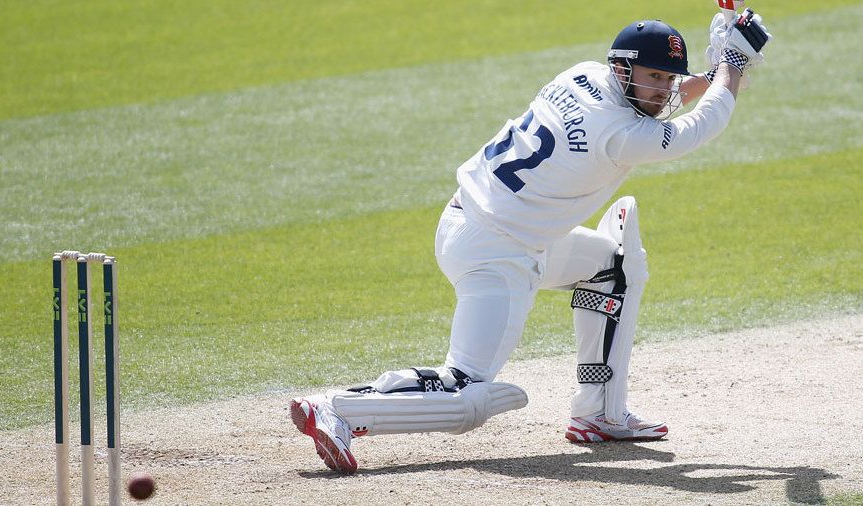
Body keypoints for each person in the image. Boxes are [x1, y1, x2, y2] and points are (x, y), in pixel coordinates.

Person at [289, 10, 771, 474]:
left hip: (491, 225)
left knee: (612, 266)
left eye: (669, 78)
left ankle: (598, 412)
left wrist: (719, 72)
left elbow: (667, 100)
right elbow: (698, 128)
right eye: (654, 76)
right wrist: (730, 69)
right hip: (496, 251)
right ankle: (337, 408)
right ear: (622, 69)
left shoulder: (583, 75)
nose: (663, 88)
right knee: (467, 393)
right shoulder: (622, 134)